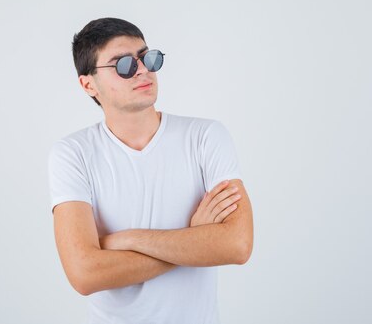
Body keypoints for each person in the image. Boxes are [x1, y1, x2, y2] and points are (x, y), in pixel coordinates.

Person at [48, 17, 253, 324]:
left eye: (147, 58)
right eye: (123, 65)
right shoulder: (73, 154)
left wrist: (127, 240)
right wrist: (195, 239)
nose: (143, 70)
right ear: (88, 84)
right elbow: (85, 274)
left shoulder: (205, 137)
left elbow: (236, 245)